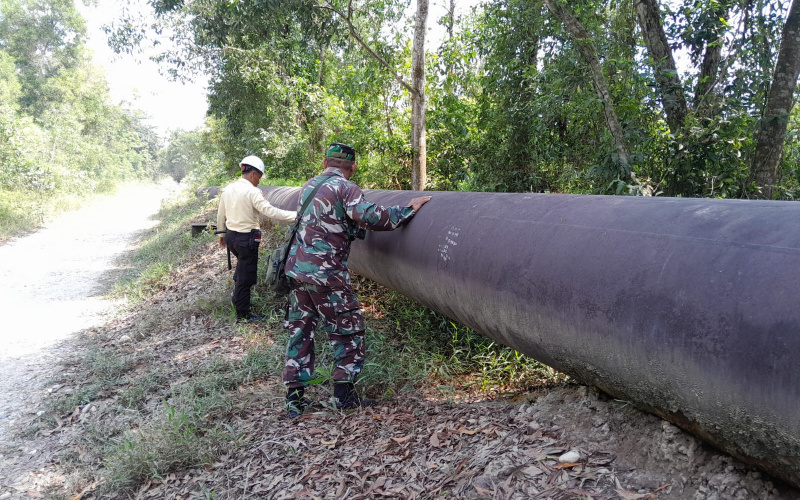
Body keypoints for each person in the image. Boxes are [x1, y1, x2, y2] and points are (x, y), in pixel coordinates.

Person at [282, 143, 431, 417]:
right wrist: (407, 210)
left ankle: (294, 400)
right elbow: (371, 217)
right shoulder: (345, 188)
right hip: (326, 274)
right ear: (352, 167)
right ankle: (344, 397)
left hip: (297, 272)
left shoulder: (308, 186)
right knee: (348, 331)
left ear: (325, 162)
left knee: (301, 330)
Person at [217, 155, 297, 322]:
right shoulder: (252, 192)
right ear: (253, 174)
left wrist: (222, 234)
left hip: (232, 236)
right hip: (246, 238)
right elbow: (270, 211)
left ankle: (237, 297)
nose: (259, 181)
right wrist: (296, 216)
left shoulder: (228, 189)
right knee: (246, 276)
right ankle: (242, 314)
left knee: (241, 268)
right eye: (259, 177)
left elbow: (220, 214)